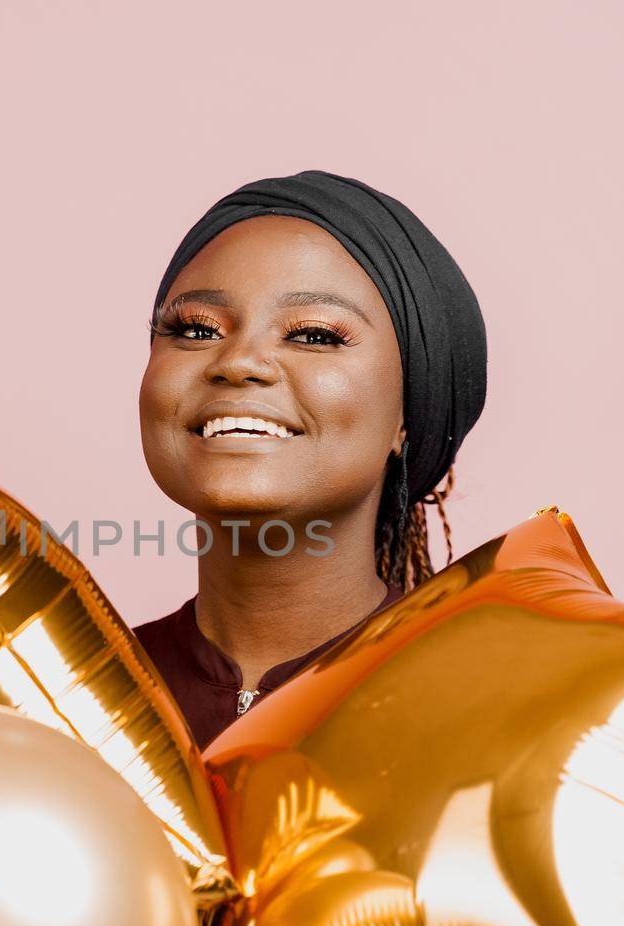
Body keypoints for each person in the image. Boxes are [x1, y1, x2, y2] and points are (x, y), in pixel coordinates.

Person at [133, 169, 488, 752]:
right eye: (195, 329)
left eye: (314, 335)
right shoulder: (50, 706)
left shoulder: (500, 712)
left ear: (409, 412)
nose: (239, 361)